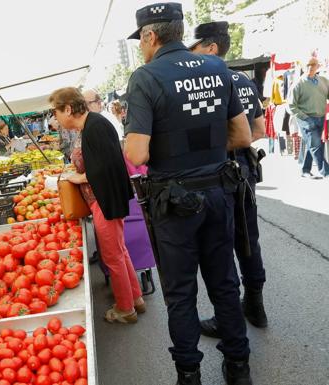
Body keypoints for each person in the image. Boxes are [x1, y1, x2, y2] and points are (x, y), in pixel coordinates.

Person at [123, 3, 253, 384]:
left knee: (180, 294)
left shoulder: (146, 77)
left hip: (175, 203)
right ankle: (238, 366)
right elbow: (243, 136)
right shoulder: (218, 68)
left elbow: (137, 154)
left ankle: (189, 373)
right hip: (218, 191)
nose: (141, 49)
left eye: (141, 41)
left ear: (151, 35)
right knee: (225, 283)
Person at [188, 21, 269, 338]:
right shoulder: (245, 81)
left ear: (210, 48)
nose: (190, 56)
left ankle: (229, 317)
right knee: (248, 240)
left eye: (194, 49)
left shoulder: (207, 83)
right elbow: (258, 132)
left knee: (220, 246)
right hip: (246, 171)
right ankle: (256, 306)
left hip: (219, 174)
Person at [48, 87, 145, 323]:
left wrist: (77, 178)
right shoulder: (92, 124)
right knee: (119, 252)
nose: (55, 118)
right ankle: (135, 299)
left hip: (105, 201)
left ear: (68, 109)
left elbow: (103, 167)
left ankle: (125, 309)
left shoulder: (95, 126)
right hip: (105, 200)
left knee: (113, 256)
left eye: (56, 112)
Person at [288, 56, 329, 178]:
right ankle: (326, 172)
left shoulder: (323, 81)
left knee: (313, 144)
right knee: (316, 145)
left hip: (320, 117)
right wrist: (305, 118)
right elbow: (291, 106)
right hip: (306, 118)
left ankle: (305, 170)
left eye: (313, 64)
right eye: (308, 65)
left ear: (318, 66)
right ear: (303, 66)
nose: (310, 67)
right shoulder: (298, 84)